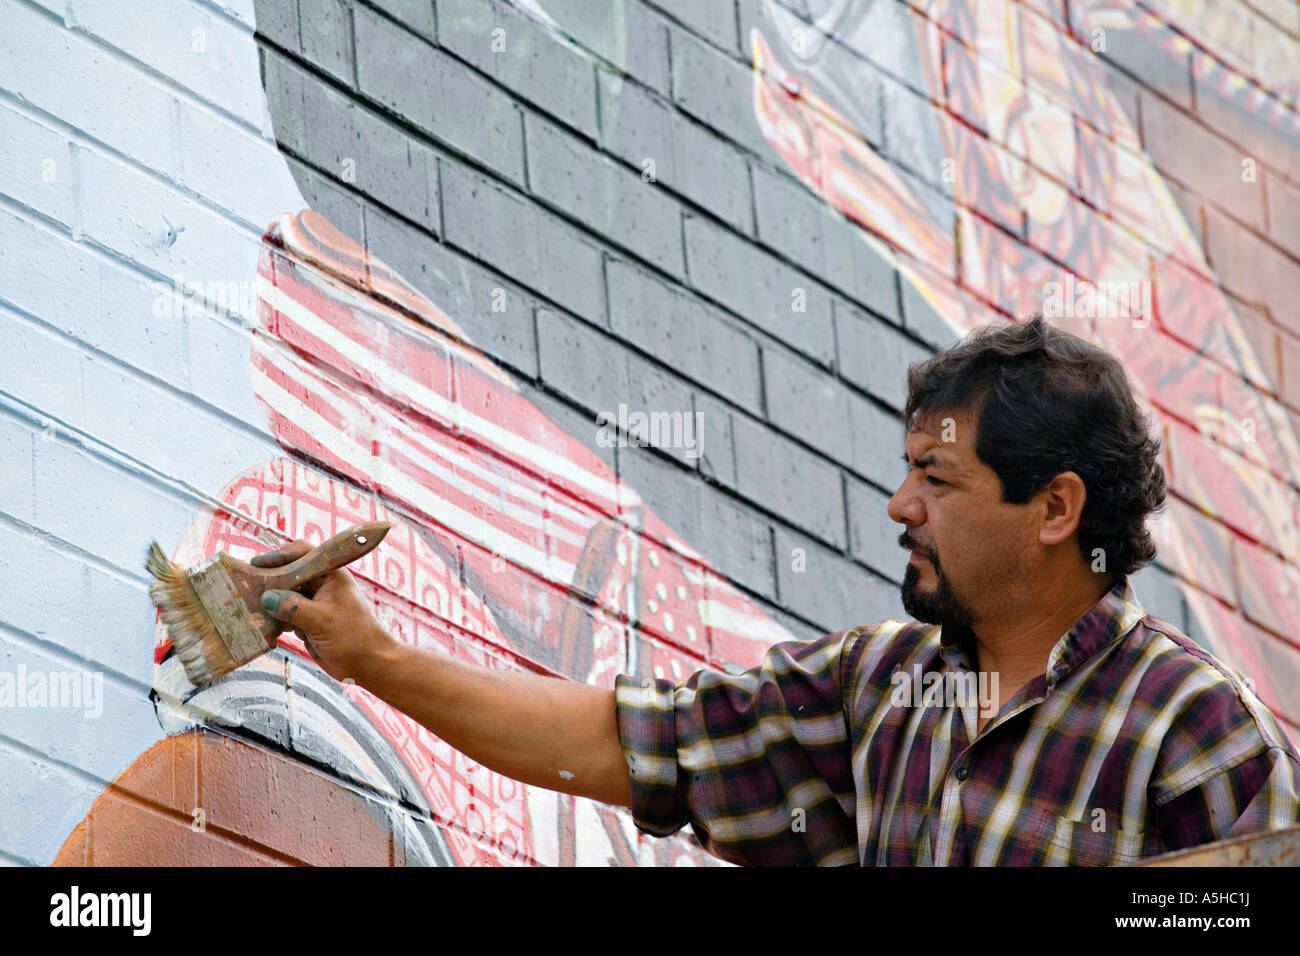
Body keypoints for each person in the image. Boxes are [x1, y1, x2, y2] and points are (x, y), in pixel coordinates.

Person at [251, 316, 1300, 865]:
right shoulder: (876, 686)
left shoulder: (1194, 731)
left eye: (935, 479)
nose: (898, 507)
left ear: (1055, 508)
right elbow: (624, 742)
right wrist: (374, 657)